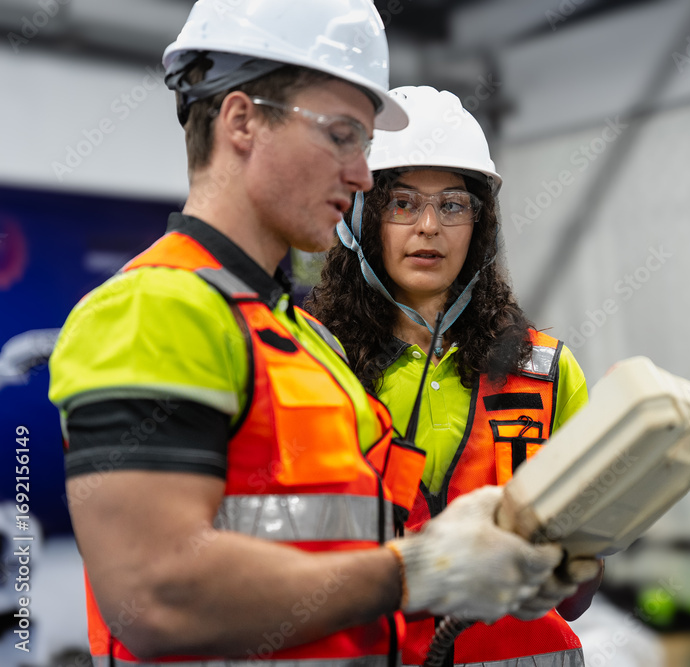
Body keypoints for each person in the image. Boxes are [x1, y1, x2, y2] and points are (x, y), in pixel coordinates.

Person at [47, 3, 578, 666]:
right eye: (341, 134)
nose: (361, 174)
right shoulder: (152, 309)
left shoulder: (304, 343)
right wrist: (418, 570)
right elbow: (157, 595)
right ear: (241, 120)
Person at [306, 85, 603, 667]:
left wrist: (577, 556)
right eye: (402, 202)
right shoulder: (312, 365)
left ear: (480, 225)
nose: (429, 227)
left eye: (452, 204)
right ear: (358, 216)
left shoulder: (547, 372)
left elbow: (575, 601)